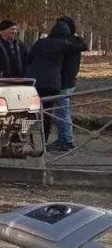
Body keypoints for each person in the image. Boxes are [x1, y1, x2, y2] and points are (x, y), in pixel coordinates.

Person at [25, 19, 87, 151]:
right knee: (56, 112)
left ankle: (62, 140)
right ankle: (60, 139)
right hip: (60, 82)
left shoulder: (49, 42)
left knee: (53, 111)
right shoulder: (70, 43)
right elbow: (84, 46)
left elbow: (29, 58)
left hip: (54, 82)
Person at [54, 16, 88, 152]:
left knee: (62, 111)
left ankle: (66, 140)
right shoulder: (75, 42)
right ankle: (64, 138)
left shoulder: (64, 43)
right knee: (63, 110)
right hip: (70, 81)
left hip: (63, 81)